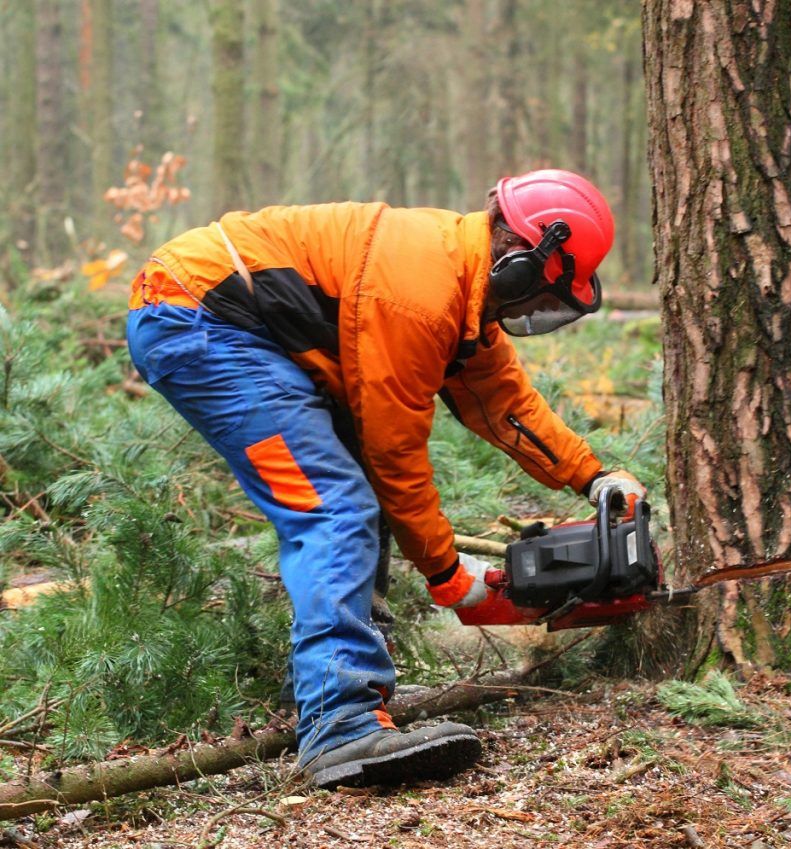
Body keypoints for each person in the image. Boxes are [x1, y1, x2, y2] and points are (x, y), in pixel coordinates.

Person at [125, 168, 646, 789]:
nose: (540, 309)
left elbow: (505, 404)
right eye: (547, 294)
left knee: (349, 500)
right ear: (522, 262)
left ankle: (360, 684)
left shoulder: (464, 290)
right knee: (335, 507)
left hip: (242, 328)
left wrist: (593, 477)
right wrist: (449, 577)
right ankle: (339, 721)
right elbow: (394, 454)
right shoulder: (420, 294)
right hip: (200, 320)